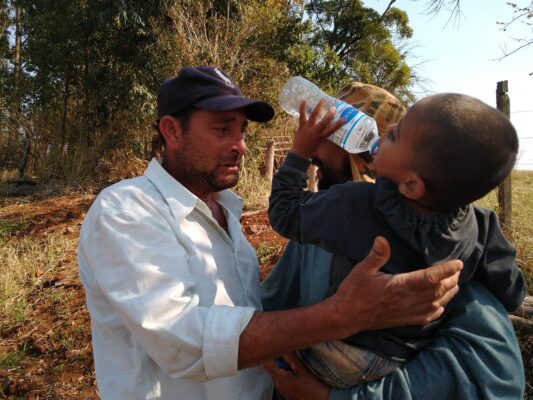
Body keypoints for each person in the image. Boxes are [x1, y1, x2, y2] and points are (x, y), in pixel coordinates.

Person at [77, 67, 463, 400]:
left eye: (242, 130)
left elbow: (252, 315)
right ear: (172, 131)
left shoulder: (225, 210)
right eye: (222, 129)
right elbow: (186, 342)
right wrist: (343, 315)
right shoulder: (127, 210)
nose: (241, 146)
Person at [262, 83, 526, 399]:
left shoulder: (350, 208)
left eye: (328, 133)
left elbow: (499, 380)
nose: (316, 146)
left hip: (340, 369)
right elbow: (508, 283)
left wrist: (326, 396)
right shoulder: (474, 230)